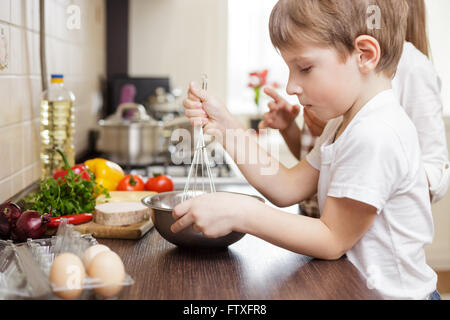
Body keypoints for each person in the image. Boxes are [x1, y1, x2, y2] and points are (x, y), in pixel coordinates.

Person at [175, 0, 439, 299]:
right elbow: (287, 186)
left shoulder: (376, 133)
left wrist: (243, 213)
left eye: (304, 67)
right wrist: (226, 127)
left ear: (364, 55)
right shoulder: (344, 123)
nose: (291, 86)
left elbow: (332, 239)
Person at [259, 0, 450, 218]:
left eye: (304, 68)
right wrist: (293, 130)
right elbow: (310, 166)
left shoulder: (410, 68)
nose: (291, 86)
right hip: (314, 217)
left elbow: (437, 169)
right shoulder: (335, 79)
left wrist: (374, 172)